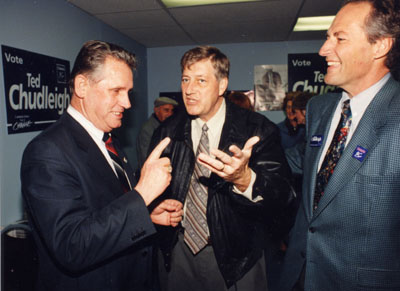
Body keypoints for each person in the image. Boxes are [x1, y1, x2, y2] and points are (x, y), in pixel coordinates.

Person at [20, 40, 183, 291]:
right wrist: (143, 195)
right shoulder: (46, 152)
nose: (127, 103)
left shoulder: (107, 140)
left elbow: (104, 211)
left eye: (128, 92)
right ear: (82, 86)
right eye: (116, 91)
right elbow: (72, 246)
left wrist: (145, 214)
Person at [150, 46, 294, 291]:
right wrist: (155, 205)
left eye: (201, 80)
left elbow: (284, 196)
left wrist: (244, 179)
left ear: (222, 85)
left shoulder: (256, 129)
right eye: (185, 79)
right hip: (179, 252)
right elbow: (153, 188)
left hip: (237, 257)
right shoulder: (167, 131)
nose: (189, 89)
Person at [280, 0, 400, 290]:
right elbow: (294, 165)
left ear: (380, 46)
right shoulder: (319, 108)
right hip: (300, 274)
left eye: (340, 38)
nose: (323, 50)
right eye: (326, 37)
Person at [137, 96, 179, 167]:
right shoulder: (148, 129)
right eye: (166, 110)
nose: (170, 114)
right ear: (156, 111)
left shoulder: (166, 126)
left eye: (171, 111)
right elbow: (147, 159)